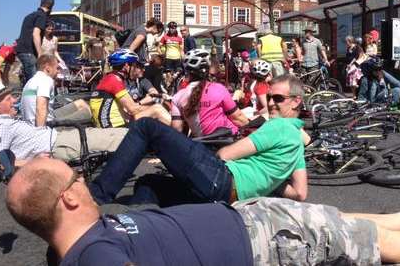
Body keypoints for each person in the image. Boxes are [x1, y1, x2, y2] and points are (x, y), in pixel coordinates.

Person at [7, 157, 400, 265]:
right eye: (75, 177)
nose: (85, 181)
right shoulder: (95, 258)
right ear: (68, 199)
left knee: (338, 220)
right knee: (372, 246)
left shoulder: (70, 247)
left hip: (249, 218)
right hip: (265, 245)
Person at [90, 73, 309, 206]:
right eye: (269, 97)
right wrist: (268, 181)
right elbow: (299, 193)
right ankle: (135, 229)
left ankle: (96, 197)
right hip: (224, 196)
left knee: (146, 127)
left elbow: (225, 154)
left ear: (296, 101)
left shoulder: (278, 126)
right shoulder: (297, 142)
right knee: (148, 183)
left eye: (278, 98)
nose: (270, 103)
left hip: (220, 177)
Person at [0, 81, 127, 162]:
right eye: (9, 98)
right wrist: (34, 162)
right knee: (118, 137)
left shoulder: (6, 121)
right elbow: (0, 161)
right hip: (59, 145)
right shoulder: (1, 126)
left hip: (58, 139)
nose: (14, 100)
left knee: (114, 135)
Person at [171, 49, 249, 137]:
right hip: (228, 141)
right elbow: (238, 118)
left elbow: (177, 129)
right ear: (208, 69)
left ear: (187, 71)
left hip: (201, 145)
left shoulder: (177, 97)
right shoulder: (219, 88)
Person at [90, 49, 171, 128]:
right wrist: (154, 107)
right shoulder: (115, 80)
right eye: (135, 66)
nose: (138, 68)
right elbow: (133, 109)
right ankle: (178, 137)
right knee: (158, 109)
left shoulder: (110, 78)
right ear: (126, 66)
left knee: (155, 112)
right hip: (114, 129)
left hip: (115, 124)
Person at [21, 54, 91, 127]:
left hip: (36, 122)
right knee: (87, 112)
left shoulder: (30, 82)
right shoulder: (46, 80)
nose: (58, 72)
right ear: (47, 68)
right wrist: (41, 132)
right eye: (57, 68)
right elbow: (41, 107)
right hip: (46, 125)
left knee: (81, 103)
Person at [15, 0, 54, 82]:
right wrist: (40, 53)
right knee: (34, 81)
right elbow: (36, 34)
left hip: (21, 50)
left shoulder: (29, 16)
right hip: (28, 52)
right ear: (50, 7)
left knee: (29, 80)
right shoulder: (42, 16)